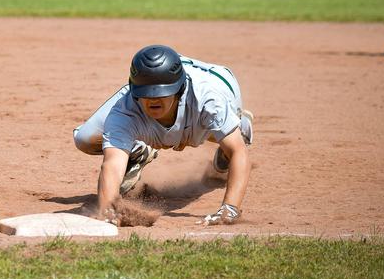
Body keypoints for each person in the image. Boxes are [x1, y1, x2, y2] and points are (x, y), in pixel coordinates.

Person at [72, 45, 253, 226]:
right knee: (84, 138)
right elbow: (111, 164)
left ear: (178, 89)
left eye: (161, 93)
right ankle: (138, 151)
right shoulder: (125, 111)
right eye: (146, 93)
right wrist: (108, 210)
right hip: (169, 76)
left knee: (218, 136)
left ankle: (237, 126)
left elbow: (239, 151)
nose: (153, 99)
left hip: (219, 83)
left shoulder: (208, 100)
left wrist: (230, 209)